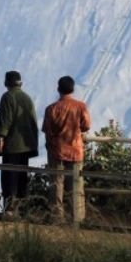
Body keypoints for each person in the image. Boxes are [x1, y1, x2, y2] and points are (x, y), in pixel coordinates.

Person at [42, 75, 90, 220]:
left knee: (56, 185)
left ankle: (57, 216)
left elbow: (47, 129)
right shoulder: (81, 107)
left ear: (58, 89)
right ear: (73, 89)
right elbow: (86, 125)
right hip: (75, 151)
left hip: (57, 151)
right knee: (76, 185)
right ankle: (77, 217)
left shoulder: (51, 109)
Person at [0, 70, 39, 216]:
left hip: (13, 145)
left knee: (9, 177)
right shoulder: (27, 98)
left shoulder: (8, 97)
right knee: (22, 177)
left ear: (7, 83)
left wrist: (0, 138)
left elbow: (5, 120)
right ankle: (23, 208)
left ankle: (10, 208)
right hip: (26, 145)